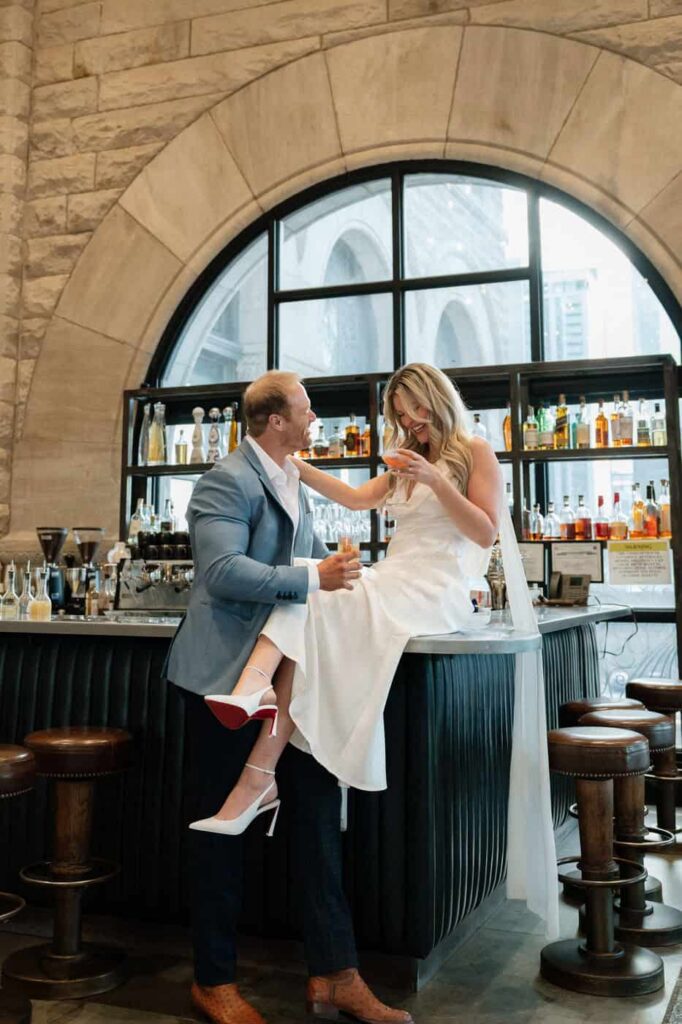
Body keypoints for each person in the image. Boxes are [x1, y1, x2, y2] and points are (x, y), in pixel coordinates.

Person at [164, 370, 414, 1024]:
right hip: (224, 681)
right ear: (275, 420)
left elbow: (316, 563)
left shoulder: (293, 475)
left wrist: (361, 582)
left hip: (293, 684)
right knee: (222, 832)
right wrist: (315, 576)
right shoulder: (226, 480)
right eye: (305, 411)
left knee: (316, 822)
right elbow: (221, 573)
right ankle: (212, 981)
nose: (314, 421)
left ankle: (335, 974)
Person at [192, 362, 501, 824]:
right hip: (397, 574)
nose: (411, 420)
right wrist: (290, 464)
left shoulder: (474, 451)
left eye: (415, 407)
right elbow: (357, 498)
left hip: (439, 585)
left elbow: (486, 532)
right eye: (401, 413)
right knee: (315, 580)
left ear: (435, 397)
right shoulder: (405, 455)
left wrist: (435, 480)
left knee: (317, 585)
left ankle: (256, 707)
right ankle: (258, 737)